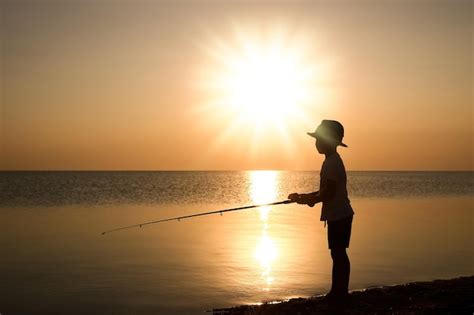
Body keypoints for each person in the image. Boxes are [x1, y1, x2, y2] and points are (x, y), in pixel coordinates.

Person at [288, 119, 354, 304]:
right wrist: (304, 197)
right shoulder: (330, 161)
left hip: (340, 214)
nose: (316, 143)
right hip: (338, 214)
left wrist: (308, 199)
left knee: (338, 253)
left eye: (319, 139)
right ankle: (339, 291)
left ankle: (339, 292)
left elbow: (328, 193)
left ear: (329, 142)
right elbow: (324, 192)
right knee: (337, 252)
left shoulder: (333, 163)